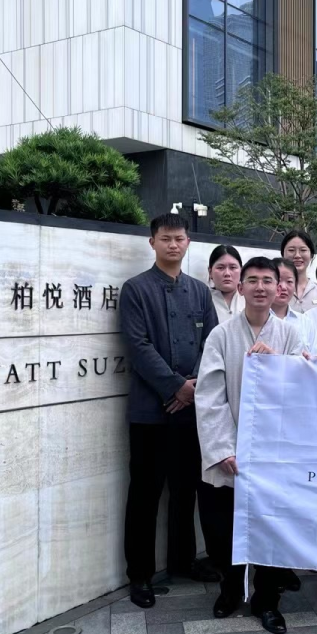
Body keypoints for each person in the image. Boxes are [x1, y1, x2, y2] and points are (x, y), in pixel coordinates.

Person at [196, 257, 305, 634]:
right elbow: (209, 396)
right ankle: (229, 590)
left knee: (272, 530)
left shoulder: (290, 335)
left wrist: (280, 363)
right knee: (223, 530)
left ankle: (267, 599)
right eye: (253, 280)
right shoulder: (221, 335)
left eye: (268, 280)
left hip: (276, 455)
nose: (261, 287)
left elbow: (306, 385)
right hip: (231, 453)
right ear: (240, 288)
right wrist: (223, 448)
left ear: (280, 288)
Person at [119, 214, 221, 609]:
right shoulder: (136, 289)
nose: (173, 245)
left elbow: (212, 344)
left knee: (185, 490)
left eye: (179, 238)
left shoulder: (199, 292)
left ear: (188, 242)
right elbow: (138, 346)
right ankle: (140, 574)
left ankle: (182, 561)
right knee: (144, 495)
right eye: (166, 239)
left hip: (191, 410)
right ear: (152, 243)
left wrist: (191, 388)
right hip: (150, 411)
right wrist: (175, 386)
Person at [270, 257, 312, 353]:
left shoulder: (305, 322)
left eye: (289, 282)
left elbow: (314, 358)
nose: (283, 287)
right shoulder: (258, 319)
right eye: (278, 281)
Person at [282, 230, 317, 313]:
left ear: (311, 255)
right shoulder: (274, 289)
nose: (297, 255)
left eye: (303, 250)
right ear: (283, 254)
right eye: (291, 250)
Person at [208, 245, 245, 322]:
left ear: (241, 271)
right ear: (210, 272)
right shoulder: (202, 301)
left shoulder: (250, 299)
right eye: (220, 268)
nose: (227, 273)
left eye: (233, 267)